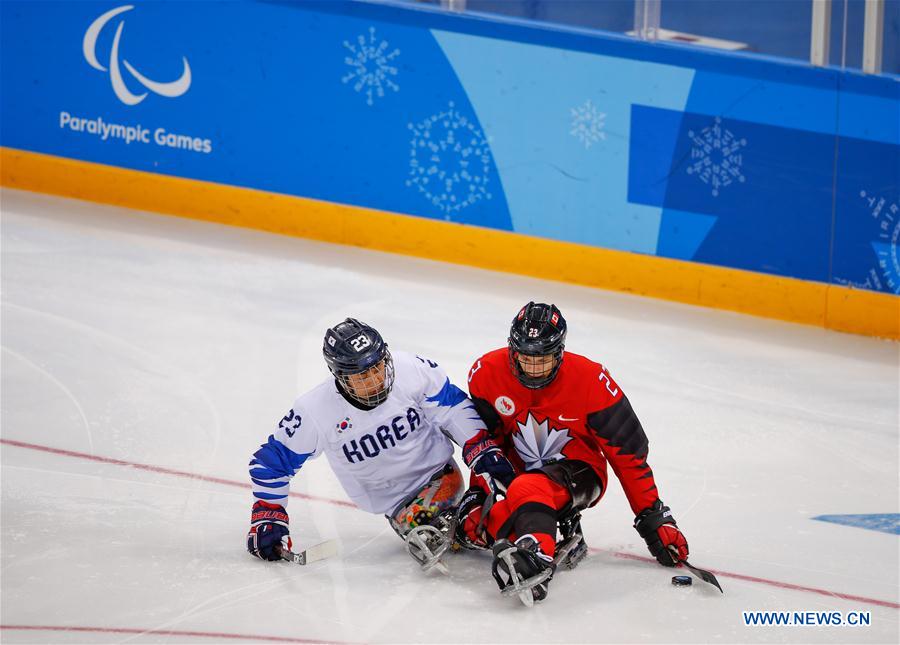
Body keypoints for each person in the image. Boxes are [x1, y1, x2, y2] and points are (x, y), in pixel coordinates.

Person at [457, 302, 689, 604]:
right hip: (520, 478)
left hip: (581, 471)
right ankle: (551, 527)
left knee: (528, 487)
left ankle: (538, 554)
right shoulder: (486, 372)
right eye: (525, 357)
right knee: (475, 526)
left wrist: (653, 518)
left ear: (560, 353)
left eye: (543, 359)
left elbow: (628, 456)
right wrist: (479, 494)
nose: (533, 368)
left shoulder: (592, 380)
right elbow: (488, 444)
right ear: (512, 350)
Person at [246, 317, 514, 568]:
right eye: (362, 377)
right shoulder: (316, 410)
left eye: (377, 368)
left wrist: (482, 449)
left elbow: (452, 407)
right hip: (396, 504)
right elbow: (272, 463)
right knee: (453, 527)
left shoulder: (410, 369)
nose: (375, 380)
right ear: (340, 376)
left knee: (483, 513)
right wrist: (268, 514)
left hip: (443, 477)